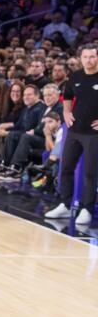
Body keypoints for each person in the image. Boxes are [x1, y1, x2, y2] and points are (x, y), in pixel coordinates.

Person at [43, 43, 97, 228]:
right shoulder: (76, 76)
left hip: (93, 134)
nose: (89, 60)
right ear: (81, 58)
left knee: (90, 173)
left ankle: (87, 209)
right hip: (74, 130)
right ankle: (65, 205)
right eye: (85, 57)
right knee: (65, 168)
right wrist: (66, 113)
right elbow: (67, 96)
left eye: (92, 56)